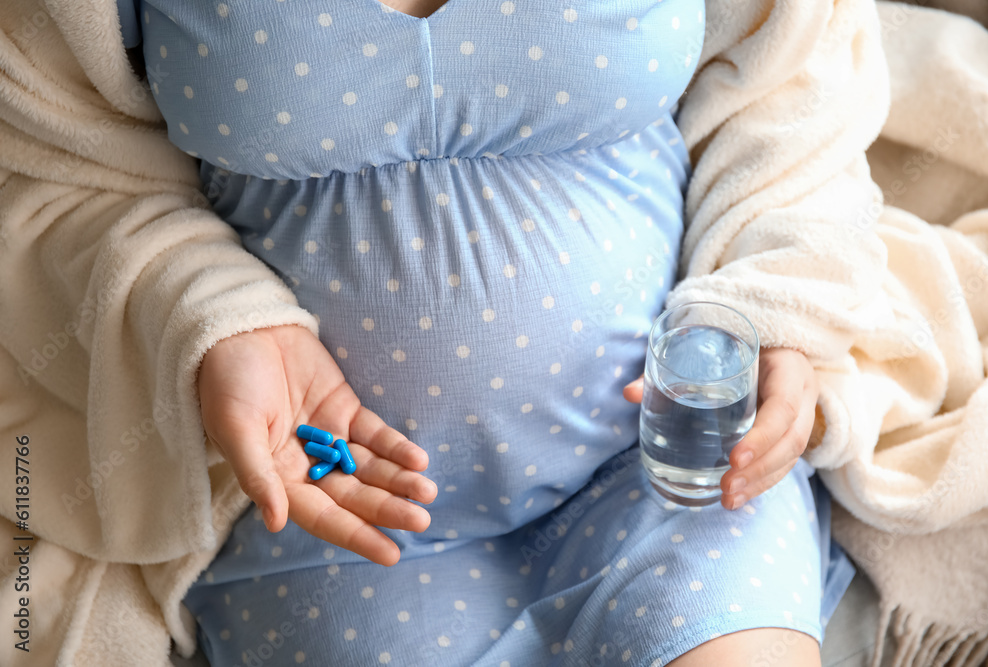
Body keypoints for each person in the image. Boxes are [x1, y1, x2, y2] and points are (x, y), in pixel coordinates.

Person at [113, 0, 874, 663]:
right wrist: (214, 315)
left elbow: (794, 77)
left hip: (667, 462)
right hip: (328, 498)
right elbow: (66, 155)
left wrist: (777, 306)